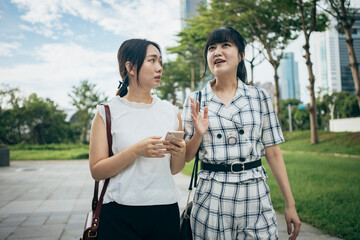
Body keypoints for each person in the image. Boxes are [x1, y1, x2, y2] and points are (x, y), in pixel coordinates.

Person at [182, 27, 301, 240]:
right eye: (211, 48)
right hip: (211, 197)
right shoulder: (195, 100)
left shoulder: (259, 97)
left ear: (241, 56)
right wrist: (198, 135)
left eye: (225, 45)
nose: (217, 52)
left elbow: (273, 152)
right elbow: (185, 157)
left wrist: (289, 204)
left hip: (255, 196)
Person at [89, 39, 186, 240]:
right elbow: (97, 171)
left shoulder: (171, 112)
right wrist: (136, 151)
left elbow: (175, 169)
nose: (159, 68)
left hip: (165, 210)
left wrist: (180, 150)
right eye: (152, 60)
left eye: (160, 62)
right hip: (119, 213)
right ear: (130, 67)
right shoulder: (107, 112)